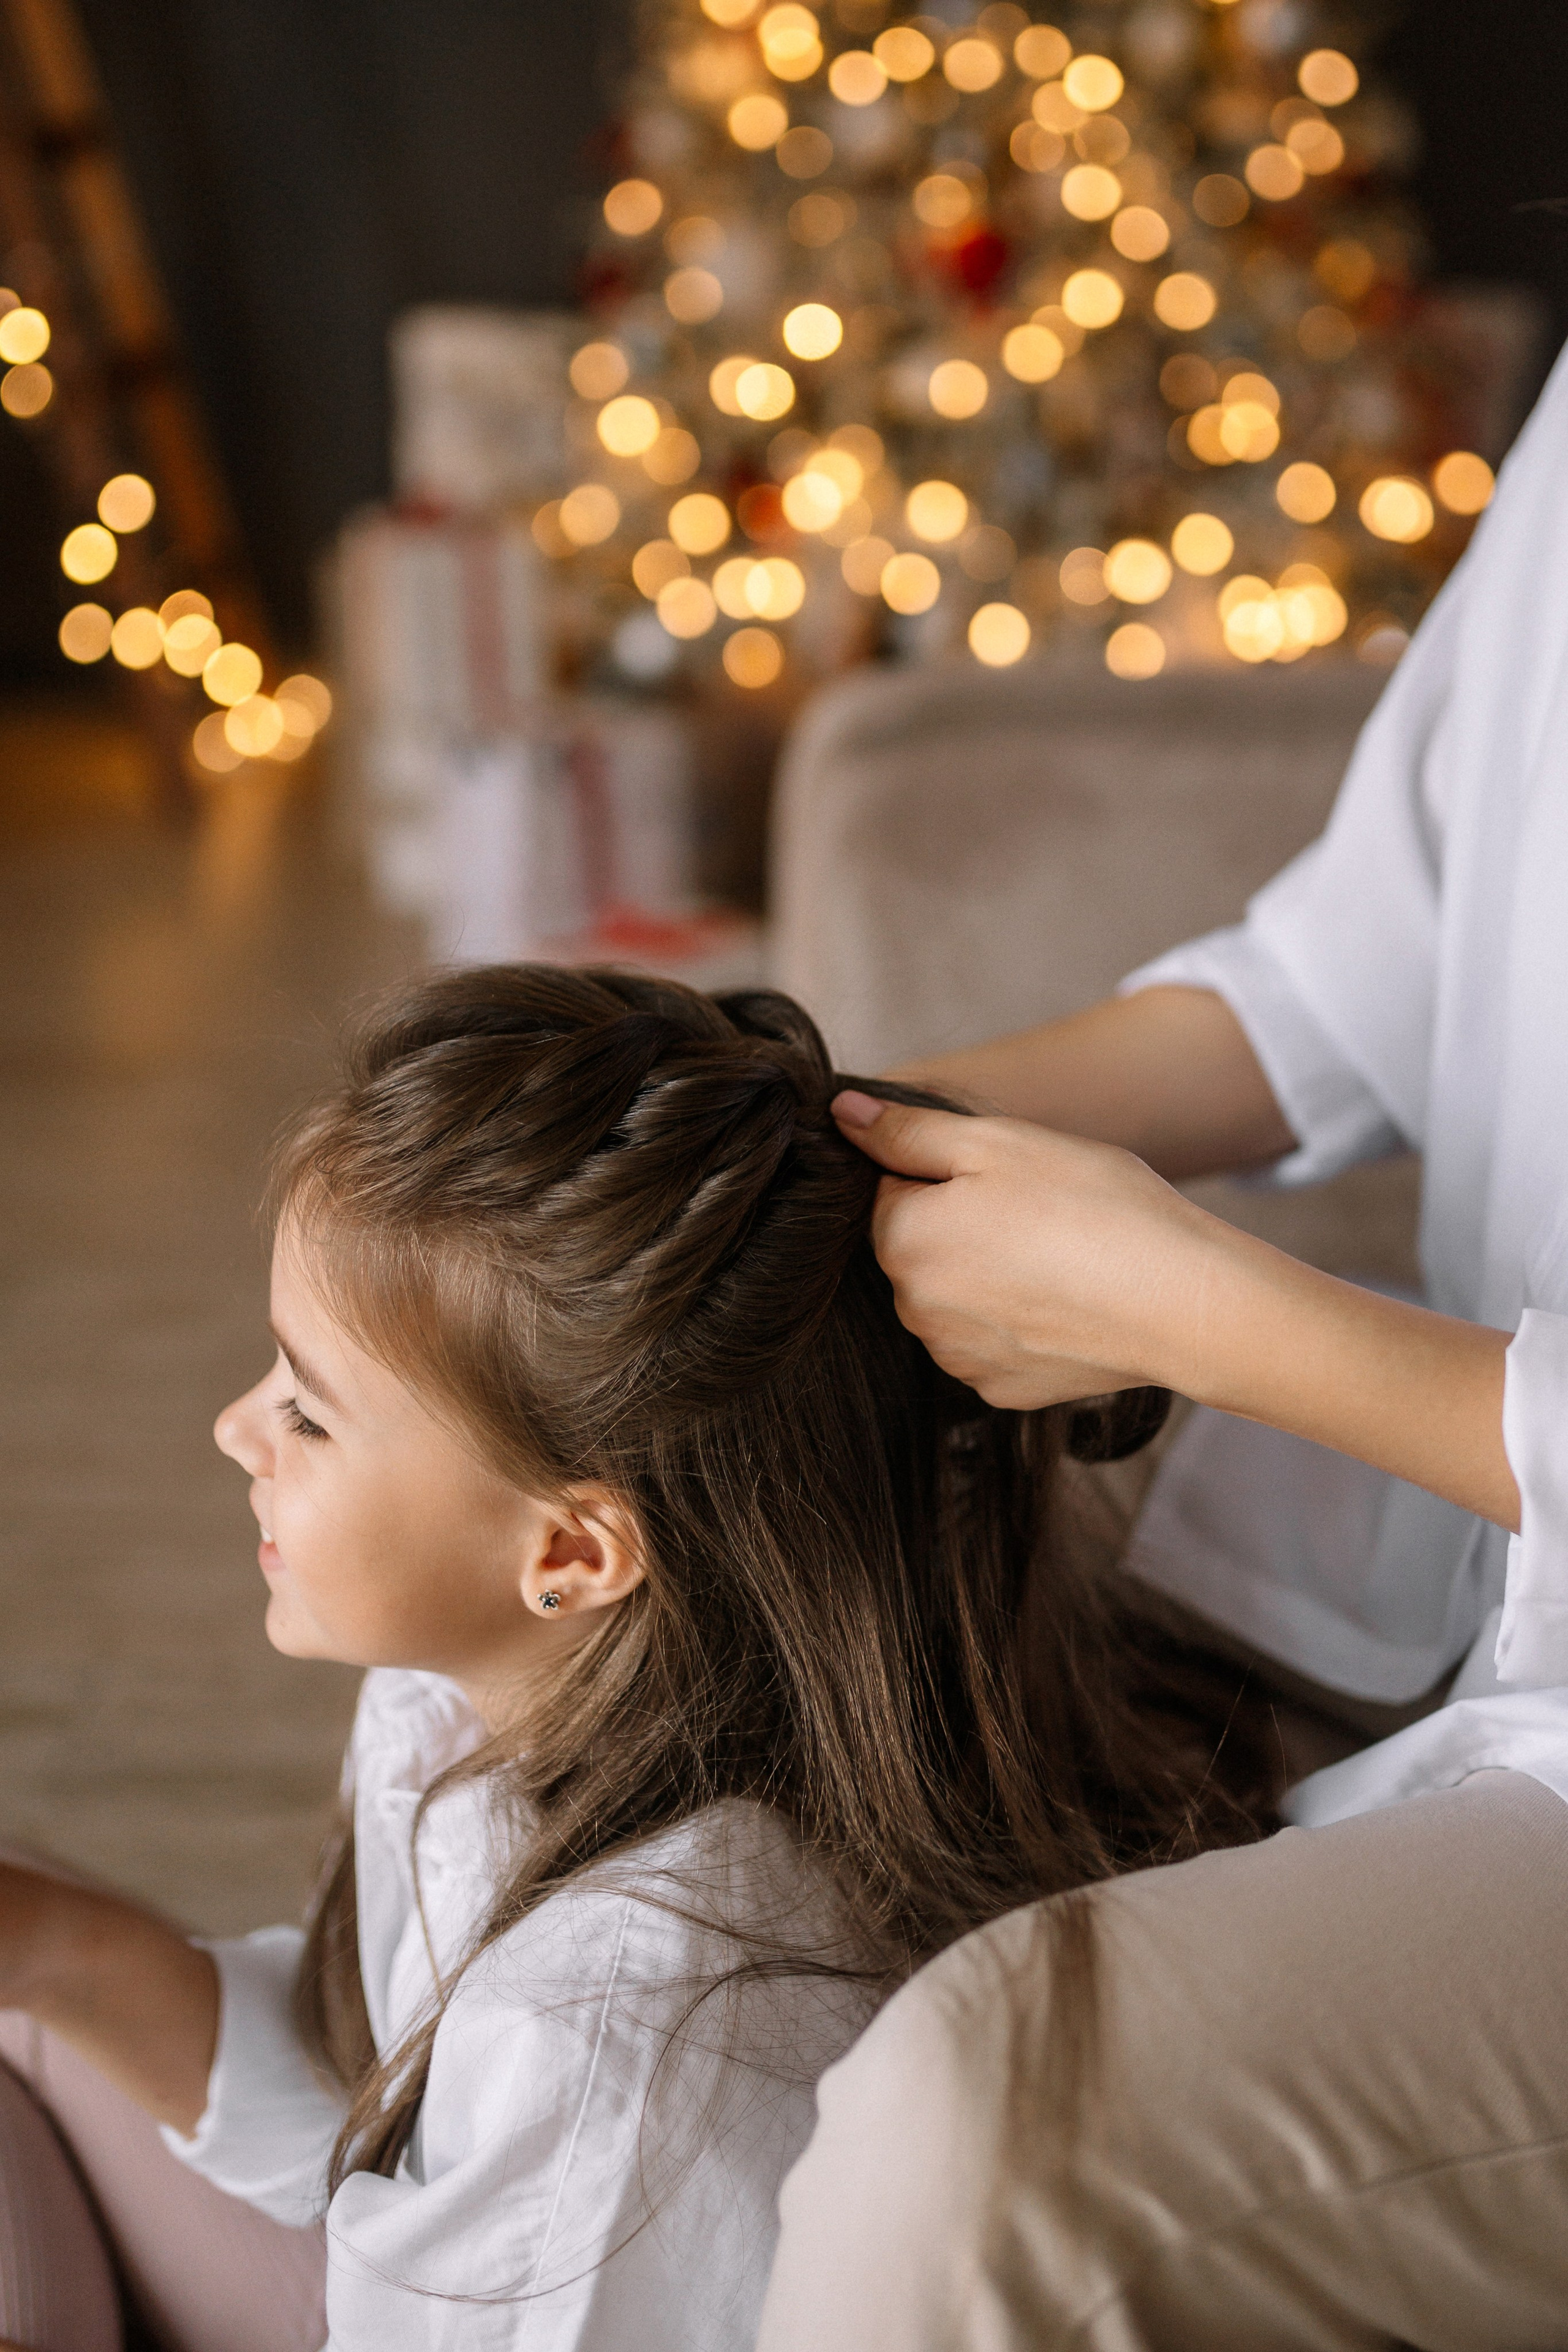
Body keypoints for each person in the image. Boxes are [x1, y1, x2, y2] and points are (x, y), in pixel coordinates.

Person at [0, 966, 1262, 2352]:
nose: (236, 1430)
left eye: (307, 1412)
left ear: (571, 1554)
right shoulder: (466, 1685)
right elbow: (397, 2125)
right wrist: (60, 1951)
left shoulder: (622, 2024)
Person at [756, 343, 1568, 2350]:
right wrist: (775, 1143)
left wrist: (1193, 1317)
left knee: (986, 2136)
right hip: (1482, 1608)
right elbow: (1336, 991)